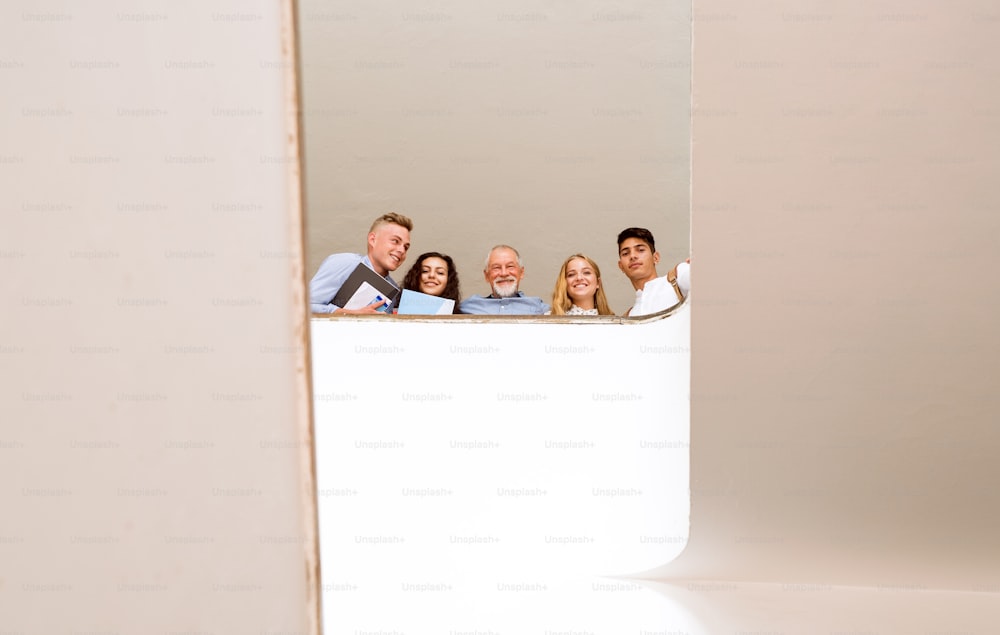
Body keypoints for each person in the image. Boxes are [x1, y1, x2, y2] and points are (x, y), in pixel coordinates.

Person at [309, 212, 412, 314]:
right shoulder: (344, 263)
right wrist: (349, 314)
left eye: (406, 247)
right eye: (395, 241)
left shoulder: (393, 289)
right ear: (372, 240)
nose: (402, 250)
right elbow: (305, 306)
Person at [616, 227, 690, 317]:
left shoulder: (677, 277)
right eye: (625, 253)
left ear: (655, 258)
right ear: (621, 266)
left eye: (640, 250)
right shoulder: (628, 317)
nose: (633, 256)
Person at [459, 245, 550, 315]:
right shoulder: (468, 307)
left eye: (510, 266)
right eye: (496, 268)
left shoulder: (539, 307)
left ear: (521, 273)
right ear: (487, 276)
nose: (504, 273)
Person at [549, 254, 614, 316]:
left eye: (586, 272)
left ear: (598, 282)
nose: (579, 278)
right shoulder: (546, 321)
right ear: (564, 283)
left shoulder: (615, 323)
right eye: (571, 274)